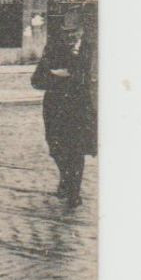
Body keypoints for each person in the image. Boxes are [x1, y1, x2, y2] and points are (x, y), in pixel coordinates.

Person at [34, 10, 96, 209]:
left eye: (74, 32)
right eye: (66, 32)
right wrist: (56, 76)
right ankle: (65, 178)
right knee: (57, 149)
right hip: (55, 109)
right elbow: (36, 80)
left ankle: (74, 193)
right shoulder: (52, 49)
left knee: (77, 150)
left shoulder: (91, 50)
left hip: (80, 108)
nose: (70, 36)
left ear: (82, 31)